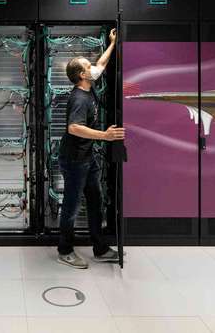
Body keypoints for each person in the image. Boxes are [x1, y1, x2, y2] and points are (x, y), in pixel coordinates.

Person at [56, 28, 124, 269]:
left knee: (95, 201)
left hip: (87, 157)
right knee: (72, 206)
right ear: (82, 75)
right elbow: (74, 127)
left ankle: (100, 248)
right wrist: (104, 136)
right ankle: (65, 250)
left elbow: (101, 64)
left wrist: (113, 43)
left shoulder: (88, 86)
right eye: (88, 66)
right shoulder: (79, 98)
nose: (93, 67)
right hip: (74, 160)